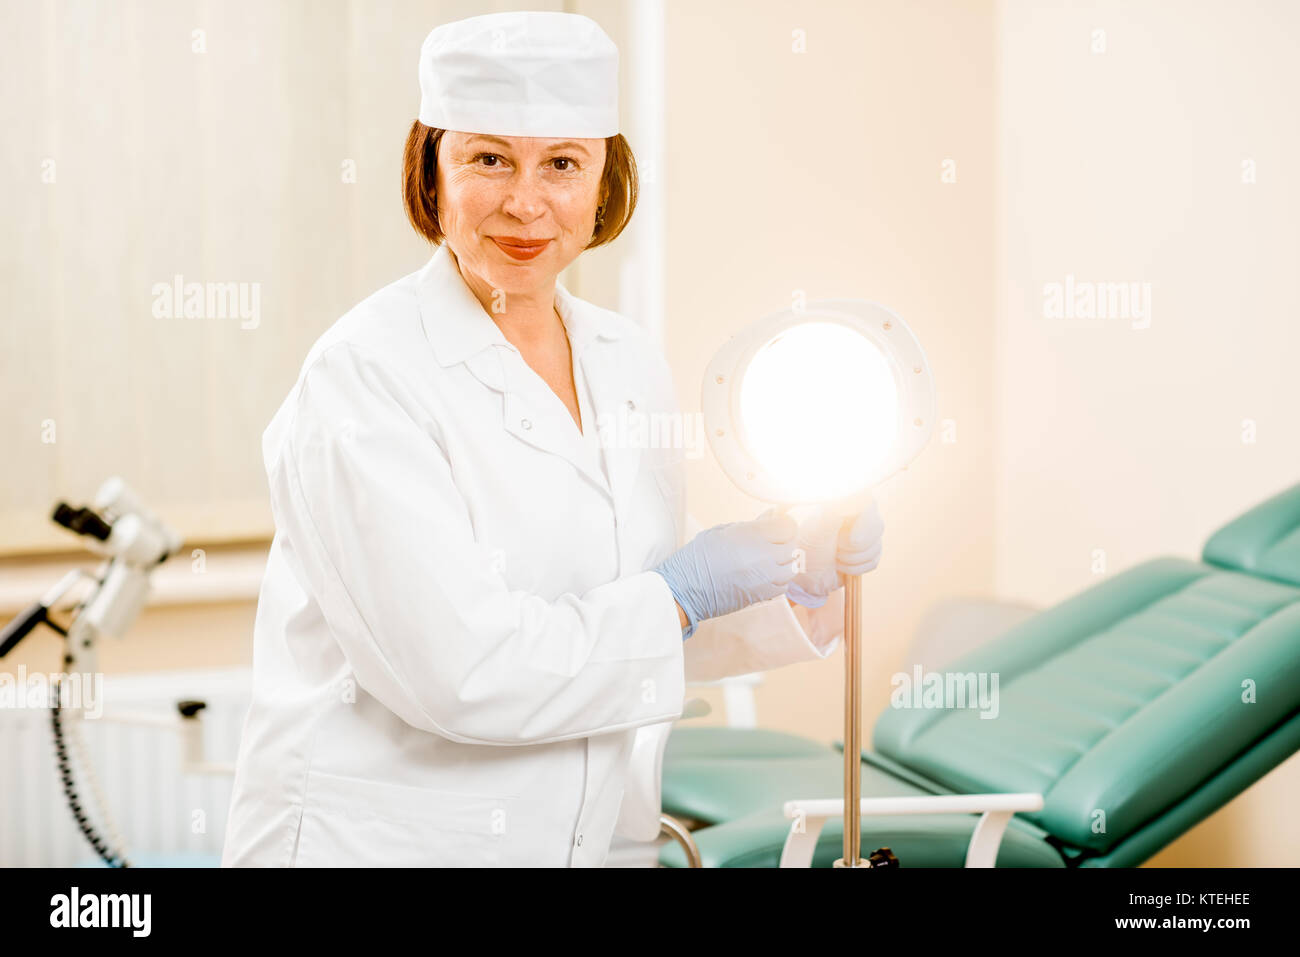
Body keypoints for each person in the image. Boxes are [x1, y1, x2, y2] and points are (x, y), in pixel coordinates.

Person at [221, 10, 883, 868]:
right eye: (488, 158)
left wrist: (791, 580)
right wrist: (683, 590)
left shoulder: (626, 360)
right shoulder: (363, 378)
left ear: (606, 179)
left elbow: (616, 619)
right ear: (432, 167)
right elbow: (465, 672)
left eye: (563, 164)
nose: (525, 202)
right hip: (376, 845)